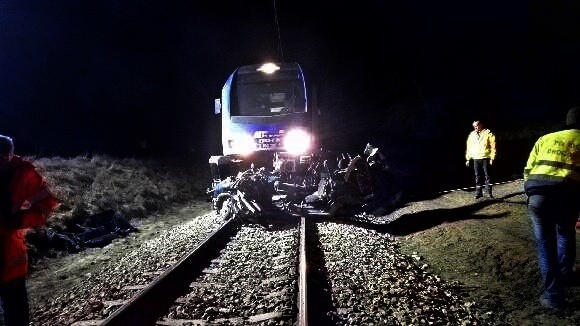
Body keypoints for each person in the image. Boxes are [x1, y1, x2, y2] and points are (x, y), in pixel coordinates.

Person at [523, 107, 580, 310]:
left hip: (537, 196)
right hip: (567, 195)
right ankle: (565, 274)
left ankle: (553, 296)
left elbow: (528, 169)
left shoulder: (545, 138)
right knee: (565, 233)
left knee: (545, 244)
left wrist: (530, 193)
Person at [0, 135, 59, 325]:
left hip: (10, 254)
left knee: (15, 310)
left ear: (9, 155)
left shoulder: (24, 173)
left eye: (3, 156)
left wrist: (21, 219)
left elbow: (47, 203)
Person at [465, 120, 497, 199]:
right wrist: (468, 158)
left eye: (477, 125)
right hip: (476, 158)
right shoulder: (472, 135)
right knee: (477, 176)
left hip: (485, 158)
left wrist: (492, 158)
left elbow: (493, 146)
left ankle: (489, 192)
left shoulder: (488, 133)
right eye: (474, 126)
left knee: (487, 176)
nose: (475, 127)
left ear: (481, 125)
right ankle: (478, 192)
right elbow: (469, 147)